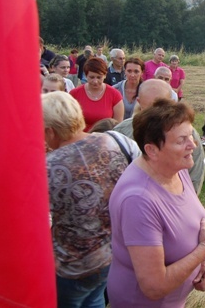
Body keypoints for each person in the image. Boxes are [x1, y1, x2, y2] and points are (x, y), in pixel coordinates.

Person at [107, 98, 205, 307]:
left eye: (191, 137)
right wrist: (203, 249)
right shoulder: (138, 201)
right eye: (181, 140)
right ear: (152, 150)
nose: (193, 145)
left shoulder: (176, 168)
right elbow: (154, 286)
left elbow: (199, 220)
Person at [43, 91, 134, 307]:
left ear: (50, 131)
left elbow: (38, 222)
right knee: (95, 300)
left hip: (72, 268)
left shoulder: (47, 167)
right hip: (117, 253)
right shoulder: (117, 140)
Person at [113, 79, 205, 196]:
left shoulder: (188, 135)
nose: (154, 117)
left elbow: (195, 176)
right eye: (149, 110)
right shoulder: (122, 132)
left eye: (160, 110)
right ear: (139, 102)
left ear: (171, 102)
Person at [70, 57, 124, 131]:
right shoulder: (75, 94)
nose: (95, 81)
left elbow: (118, 125)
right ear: (86, 75)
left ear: (105, 75)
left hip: (106, 139)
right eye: (91, 77)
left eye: (99, 77)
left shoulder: (114, 95)